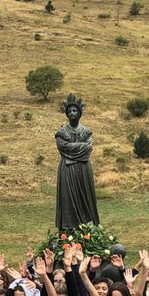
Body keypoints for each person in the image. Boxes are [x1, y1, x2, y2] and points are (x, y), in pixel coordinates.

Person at [54, 93, 100, 230]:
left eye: (75, 110)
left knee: (85, 197)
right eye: (69, 111)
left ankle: (87, 227)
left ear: (80, 113)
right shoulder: (62, 132)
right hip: (67, 170)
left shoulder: (86, 131)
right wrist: (81, 147)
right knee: (68, 197)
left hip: (83, 169)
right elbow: (63, 147)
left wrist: (73, 149)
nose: (72, 113)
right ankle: (69, 228)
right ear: (66, 115)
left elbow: (88, 149)